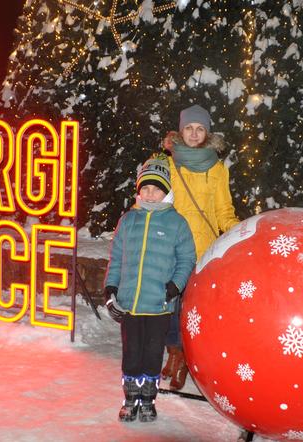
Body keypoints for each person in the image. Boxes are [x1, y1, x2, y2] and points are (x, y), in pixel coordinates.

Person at [104, 155, 196, 422]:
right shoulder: (128, 220)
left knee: (153, 354)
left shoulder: (176, 223)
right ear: (139, 190)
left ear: (166, 191)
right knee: (131, 353)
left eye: (156, 189)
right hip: (130, 303)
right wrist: (111, 287)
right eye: (145, 188)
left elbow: (187, 258)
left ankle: (148, 401)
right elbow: (117, 256)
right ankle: (130, 398)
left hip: (159, 305)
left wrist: (175, 286)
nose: (150, 194)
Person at [160, 104, 240, 390]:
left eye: (200, 129)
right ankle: (173, 354)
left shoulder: (217, 169)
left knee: (190, 306)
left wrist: (240, 233)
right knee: (168, 304)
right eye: (189, 128)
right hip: (170, 245)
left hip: (201, 247)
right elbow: (152, 199)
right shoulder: (165, 163)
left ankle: (184, 358)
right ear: (181, 131)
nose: (194, 134)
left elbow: (223, 211)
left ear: (207, 133)